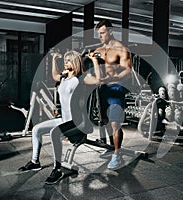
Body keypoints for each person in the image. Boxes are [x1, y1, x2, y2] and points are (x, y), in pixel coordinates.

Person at [18, 50, 84, 172]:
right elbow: (55, 76)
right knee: (36, 129)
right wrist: (54, 60)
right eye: (65, 60)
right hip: (63, 119)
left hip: (74, 122)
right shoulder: (64, 78)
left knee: (54, 132)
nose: (65, 62)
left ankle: (57, 169)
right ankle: (35, 162)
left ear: (75, 62)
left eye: (68, 60)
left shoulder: (79, 80)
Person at [86, 19, 132, 169]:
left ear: (111, 31)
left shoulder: (121, 49)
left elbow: (127, 70)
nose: (100, 36)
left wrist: (113, 78)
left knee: (115, 123)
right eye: (98, 34)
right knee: (105, 122)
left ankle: (117, 154)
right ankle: (111, 147)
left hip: (116, 88)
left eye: (102, 33)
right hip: (102, 90)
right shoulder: (99, 49)